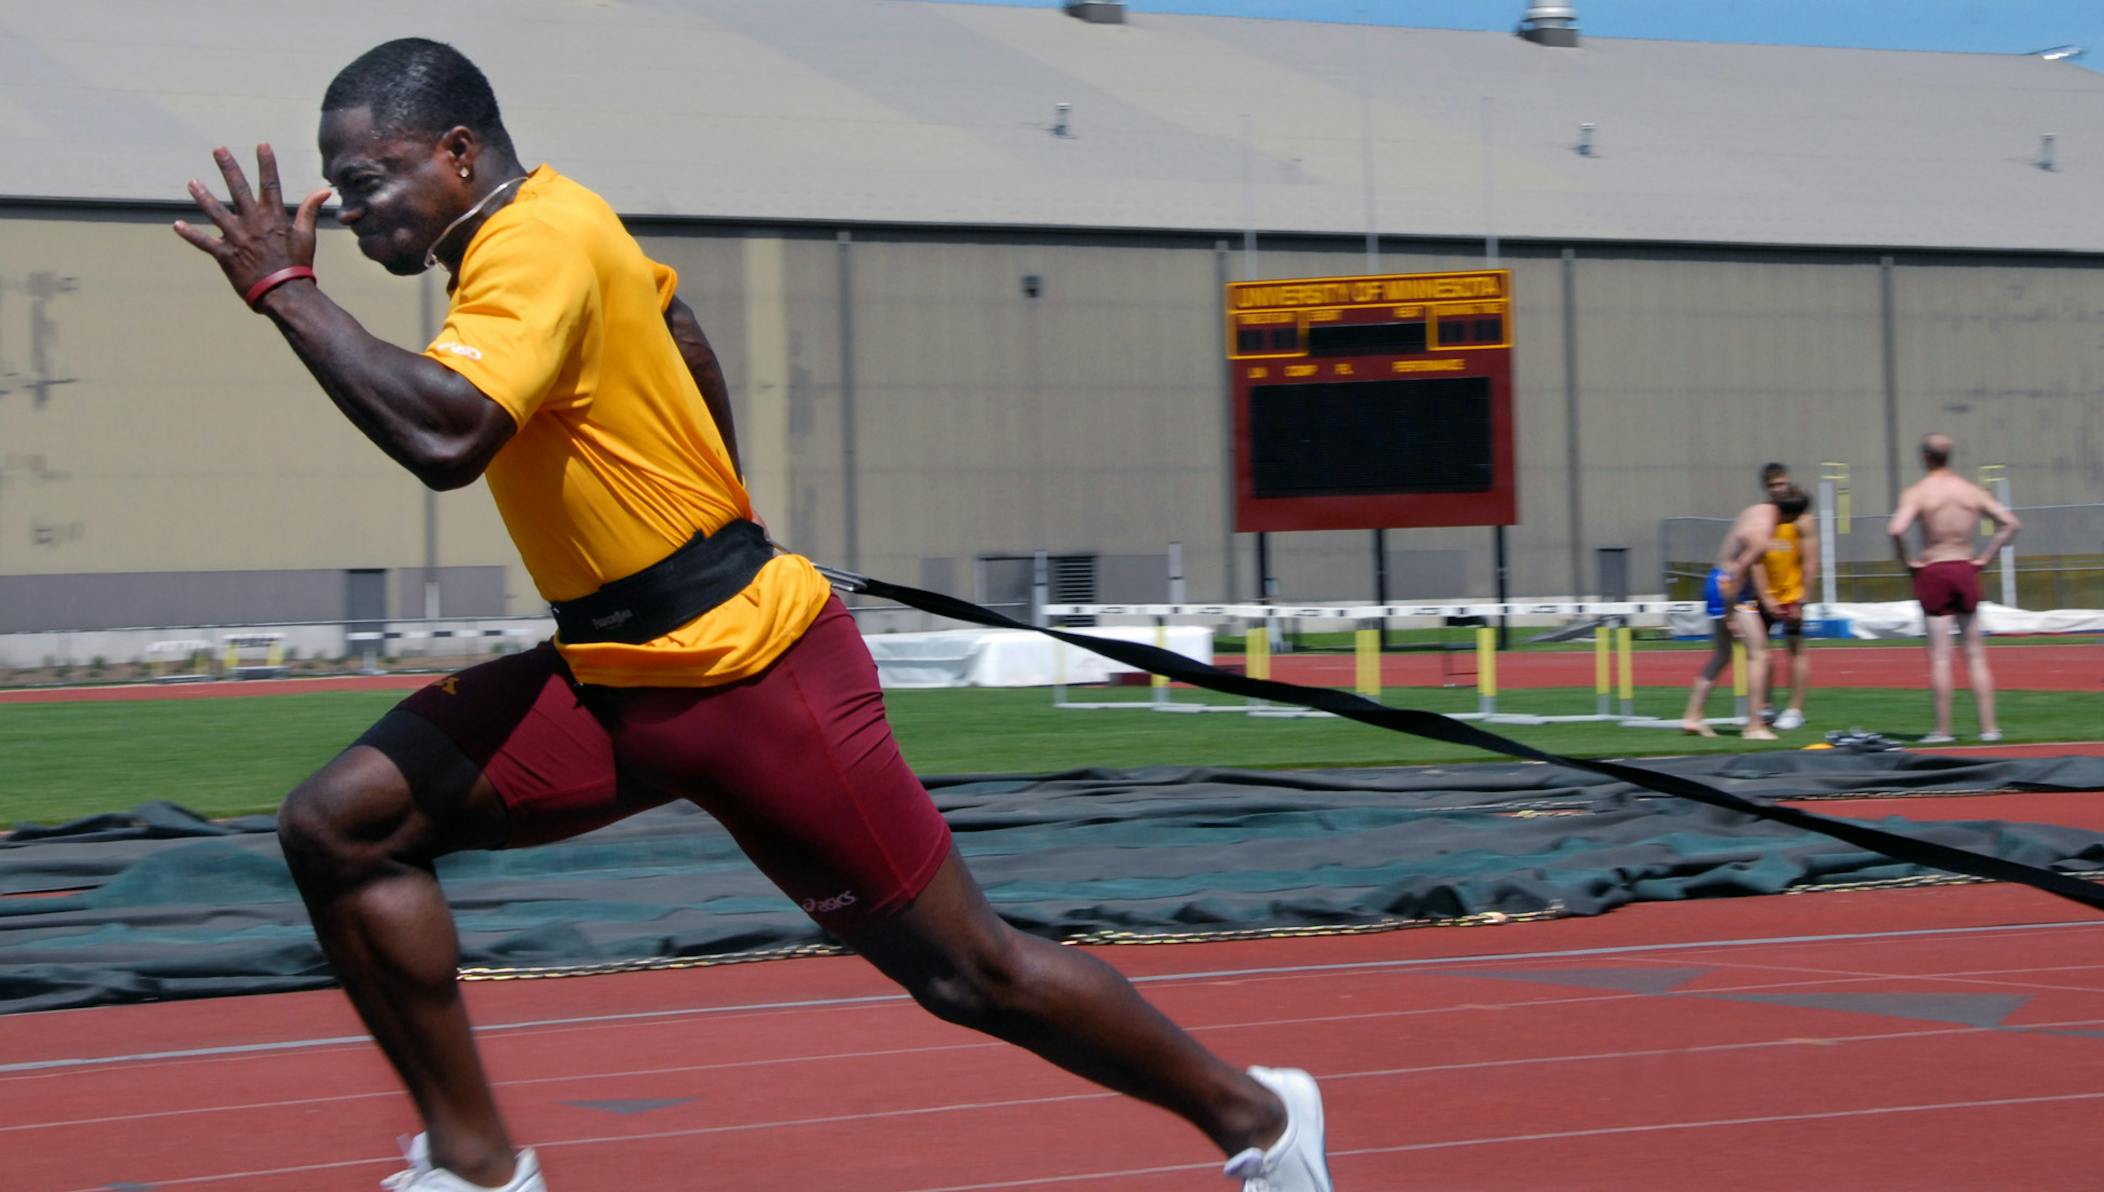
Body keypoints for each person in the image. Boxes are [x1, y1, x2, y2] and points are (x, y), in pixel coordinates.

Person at [175, 39, 1329, 1192]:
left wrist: (287, 289)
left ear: (459, 153)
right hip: (617, 671)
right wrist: (717, 515)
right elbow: (677, 329)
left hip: (748, 680)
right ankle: (477, 1166)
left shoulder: (529, 239)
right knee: (343, 826)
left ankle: (1260, 1119)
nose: (346, 206)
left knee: (970, 975)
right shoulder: (559, 221)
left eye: (368, 178)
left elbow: (447, 435)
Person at [1887, 433, 2020, 744]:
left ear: (1924, 457)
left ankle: (1943, 730)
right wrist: (1986, 556)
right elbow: (2011, 523)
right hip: (1965, 566)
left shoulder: (1918, 492)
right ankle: (1989, 728)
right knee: (1975, 653)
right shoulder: (1971, 491)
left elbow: (1895, 529)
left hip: (1935, 567)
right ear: (1949, 456)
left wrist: (1907, 560)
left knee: (1940, 657)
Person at [1677, 489, 1811, 741]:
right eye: (1791, 521)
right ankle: (1753, 725)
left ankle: (1692, 716)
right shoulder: (1763, 533)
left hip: (1715, 580)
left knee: (1722, 655)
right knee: (1760, 655)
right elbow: (1739, 572)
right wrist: (1729, 613)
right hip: (1730, 589)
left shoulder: (1755, 510)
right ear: (1789, 515)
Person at [1758, 463, 1820, 731]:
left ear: (1789, 482)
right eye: (1772, 485)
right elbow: (1755, 559)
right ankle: (1765, 705)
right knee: (1761, 654)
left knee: (1795, 650)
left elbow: (1810, 563)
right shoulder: (1764, 516)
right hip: (1765, 596)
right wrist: (1764, 596)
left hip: (1791, 595)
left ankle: (1795, 709)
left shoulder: (1801, 519)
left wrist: (1802, 598)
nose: (1777, 489)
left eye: (1781, 483)